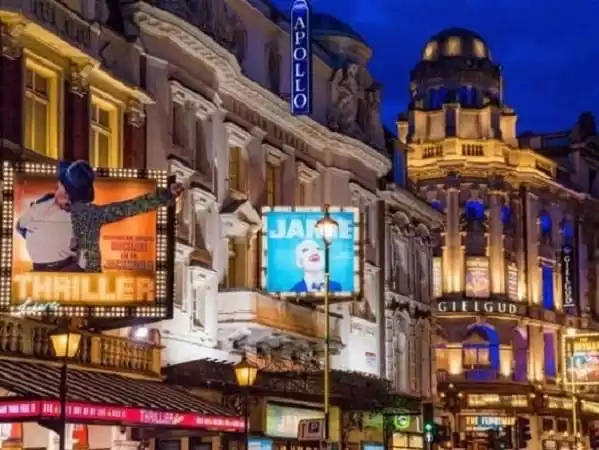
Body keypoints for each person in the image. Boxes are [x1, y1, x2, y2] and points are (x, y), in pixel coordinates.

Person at [17, 160, 184, 273]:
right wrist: (41, 240)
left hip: (68, 277)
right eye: (66, 191)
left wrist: (166, 195)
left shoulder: (87, 214)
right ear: (60, 184)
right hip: (38, 275)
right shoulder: (42, 202)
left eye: (74, 196)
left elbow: (127, 208)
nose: (68, 198)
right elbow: (21, 226)